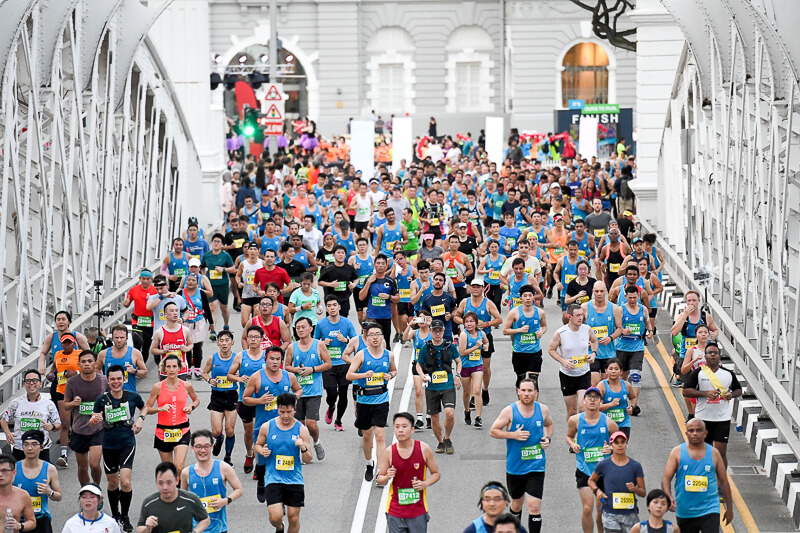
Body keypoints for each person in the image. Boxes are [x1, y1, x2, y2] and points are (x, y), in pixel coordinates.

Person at [490, 376, 554, 533]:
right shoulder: (509, 411)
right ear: (518, 392)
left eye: (530, 391)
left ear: (536, 393)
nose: (527, 394)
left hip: (536, 465)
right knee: (516, 504)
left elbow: (549, 424)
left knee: (534, 506)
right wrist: (513, 435)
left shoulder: (543, 409)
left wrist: (547, 438)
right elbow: (493, 431)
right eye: (523, 390)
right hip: (515, 467)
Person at [244, 346, 302, 502]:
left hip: (285, 426)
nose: (275, 362)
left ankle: (279, 489)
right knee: (262, 457)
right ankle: (261, 480)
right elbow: (245, 398)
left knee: (281, 456)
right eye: (272, 359)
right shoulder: (257, 377)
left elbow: (298, 390)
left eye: (278, 359)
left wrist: (293, 399)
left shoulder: (289, 376)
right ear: (265, 360)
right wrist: (260, 400)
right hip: (264, 425)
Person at [91, 365, 145, 531]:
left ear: (124, 379)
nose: (116, 382)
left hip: (127, 444)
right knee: (113, 483)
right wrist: (95, 419)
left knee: (125, 482)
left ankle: (126, 516)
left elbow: (144, 407)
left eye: (119, 379)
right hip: (108, 445)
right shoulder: (102, 400)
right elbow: (93, 418)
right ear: (108, 381)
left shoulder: (133, 397)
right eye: (112, 379)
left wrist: (141, 419)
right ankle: (115, 515)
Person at [254, 393, 313, 533]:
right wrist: (262, 452)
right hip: (273, 478)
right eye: (282, 412)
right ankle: (279, 528)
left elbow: (308, 459)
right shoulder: (267, 427)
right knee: (275, 517)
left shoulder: (301, 430)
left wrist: (303, 447)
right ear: (277, 409)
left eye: (289, 412)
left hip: (294, 480)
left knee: (293, 518)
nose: (285, 416)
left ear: (295, 409)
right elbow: (258, 445)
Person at [661, 419, 733, 532]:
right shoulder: (677, 452)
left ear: (705, 433)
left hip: (710, 509)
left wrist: (730, 509)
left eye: (698, 430)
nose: (694, 433)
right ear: (686, 433)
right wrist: (668, 497)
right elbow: (666, 478)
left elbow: (724, 482)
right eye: (691, 430)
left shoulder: (714, 453)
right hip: (685, 511)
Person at [347, 322, 397, 481]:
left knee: (381, 437)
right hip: (364, 400)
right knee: (367, 436)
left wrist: (390, 375)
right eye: (371, 335)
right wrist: (363, 375)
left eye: (378, 334)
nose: (375, 338)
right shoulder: (361, 355)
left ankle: (381, 471)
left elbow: (394, 370)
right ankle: (369, 463)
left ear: (383, 337)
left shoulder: (388, 355)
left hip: (381, 400)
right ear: (366, 338)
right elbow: (349, 375)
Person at [376, 412, 441, 533]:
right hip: (395, 512)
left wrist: (425, 484)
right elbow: (380, 478)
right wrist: (387, 477)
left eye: (404, 427)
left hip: (418, 511)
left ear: (412, 430)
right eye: (397, 427)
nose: (400, 430)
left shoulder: (423, 449)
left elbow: (436, 473)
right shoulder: (389, 452)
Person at [566, 387, 618, 533]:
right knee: (587, 508)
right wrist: (572, 444)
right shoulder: (575, 420)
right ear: (584, 400)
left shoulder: (609, 423)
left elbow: (621, 443)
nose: (593, 400)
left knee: (601, 510)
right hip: (584, 470)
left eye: (596, 397)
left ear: (601, 401)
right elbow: (568, 436)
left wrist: (612, 449)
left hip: (604, 473)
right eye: (590, 397)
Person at [681, 343, 742, 469]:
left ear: (719, 356)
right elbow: (686, 391)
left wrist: (731, 394)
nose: (712, 355)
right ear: (705, 356)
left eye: (715, 352)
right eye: (709, 353)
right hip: (703, 419)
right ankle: (702, 477)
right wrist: (705, 394)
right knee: (702, 452)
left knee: (721, 453)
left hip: (722, 419)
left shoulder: (728, 374)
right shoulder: (699, 373)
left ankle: (721, 482)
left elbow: (738, 390)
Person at [284, 317, 331, 462]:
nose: (300, 330)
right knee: (300, 425)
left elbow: (328, 363)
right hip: (297, 391)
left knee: (311, 423)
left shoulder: (319, 345)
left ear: (311, 329)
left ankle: (316, 442)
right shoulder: (292, 347)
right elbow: (286, 366)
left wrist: (313, 369)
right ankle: (306, 452)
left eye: (303, 327)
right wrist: (296, 370)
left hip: (314, 391)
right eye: (297, 328)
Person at [144, 355, 200, 475]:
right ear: (164, 369)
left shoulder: (186, 385)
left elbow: (196, 400)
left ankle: (179, 492)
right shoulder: (157, 387)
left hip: (182, 430)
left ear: (179, 368)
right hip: (163, 432)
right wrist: (160, 409)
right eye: (168, 367)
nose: (171, 369)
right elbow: (146, 408)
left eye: (174, 366)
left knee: (179, 467)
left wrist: (191, 407)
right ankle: (174, 492)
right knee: (169, 472)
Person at [180, 430, 243, 533]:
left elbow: (239, 489)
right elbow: (183, 498)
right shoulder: (186, 473)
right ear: (192, 448)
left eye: (206, 446)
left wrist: (225, 501)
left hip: (219, 527)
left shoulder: (223, 467)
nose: (203, 450)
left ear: (212, 447)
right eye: (198, 446)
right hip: (196, 528)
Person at [226, 325, 269, 475]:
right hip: (245, 400)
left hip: (263, 401)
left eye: (256, 337)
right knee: (249, 432)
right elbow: (229, 375)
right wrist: (239, 378)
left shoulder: (266, 356)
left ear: (262, 339)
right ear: (246, 339)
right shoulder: (241, 356)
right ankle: (249, 454)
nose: (253, 340)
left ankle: (259, 465)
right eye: (250, 337)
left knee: (259, 431)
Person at [453, 279, 503, 406]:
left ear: (483, 288)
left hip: (484, 337)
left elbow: (499, 319)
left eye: (478, 287)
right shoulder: (465, 302)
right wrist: (466, 323)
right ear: (470, 288)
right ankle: (474, 395)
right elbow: (456, 316)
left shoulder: (488, 303)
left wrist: (486, 323)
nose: (475, 289)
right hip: (468, 338)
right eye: (473, 286)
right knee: (470, 367)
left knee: (485, 368)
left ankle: (484, 389)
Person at [416, 320, 461, 455]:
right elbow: (418, 364)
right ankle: (440, 441)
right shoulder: (426, 348)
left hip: (447, 385)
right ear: (430, 331)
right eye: (434, 331)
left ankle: (447, 438)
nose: (437, 333)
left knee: (449, 413)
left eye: (440, 331)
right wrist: (422, 375)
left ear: (443, 331)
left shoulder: (449, 346)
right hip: (432, 387)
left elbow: (458, 361)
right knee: (434, 418)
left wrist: (457, 375)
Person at [314, 296, 358, 431]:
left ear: (339, 307)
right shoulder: (321, 324)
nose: (332, 308)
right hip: (328, 364)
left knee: (344, 393)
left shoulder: (347, 323)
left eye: (334, 305)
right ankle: (331, 407)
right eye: (329, 306)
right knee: (332, 393)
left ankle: (338, 421)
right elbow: (314, 343)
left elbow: (355, 341)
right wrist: (323, 343)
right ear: (326, 308)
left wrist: (345, 340)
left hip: (344, 363)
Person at [64, 350, 107, 485]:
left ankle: (96, 488)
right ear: (78, 364)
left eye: (90, 361)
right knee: (82, 468)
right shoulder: (72, 382)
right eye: (83, 362)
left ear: (95, 363)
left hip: (98, 429)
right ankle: (85, 491)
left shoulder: (103, 380)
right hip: (79, 429)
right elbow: (65, 405)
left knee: (94, 464)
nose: (87, 364)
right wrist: (73, 403)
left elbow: (112, 400)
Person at [588, 431, 646, 533]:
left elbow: (643, 492)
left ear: (626, 444)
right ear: (611, 445)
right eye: (616, 442)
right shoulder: (604, 464)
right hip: (610, 513)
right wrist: (597, 491)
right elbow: (591, 480)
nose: (620, 445)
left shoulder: (635, 466)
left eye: (622, 442)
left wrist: (635, 489)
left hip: (630, 514)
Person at [548, 304, 598, 421]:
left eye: (582, 315)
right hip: (567, 376)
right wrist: (563, 361)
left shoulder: (587, 329)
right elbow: (551, 349)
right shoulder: (561, 333)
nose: (581, 318)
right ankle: (572, 435)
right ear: (569, 316)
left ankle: (582, 435)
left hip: (584, 374)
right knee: (572, 411)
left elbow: (595, 341)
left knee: (583, 407)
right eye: (577, 315)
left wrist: (594, 353)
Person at [1, 370, 60, 462]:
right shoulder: (16, 403)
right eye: (28, 381)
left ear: (40, 383)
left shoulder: (48, 404)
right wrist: (7, 433)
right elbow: (4, 419)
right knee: (17, 475)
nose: (31, 383)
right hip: (20, 448)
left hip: (41, 448)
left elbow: (58, 424)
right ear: (24, 384)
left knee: (44, 475)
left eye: (35, 380)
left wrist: (51, 426)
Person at [200, 331, 239, 464]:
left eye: (227, 340)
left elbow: (243, 375)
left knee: (230, 429)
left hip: (231, 395)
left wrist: (238, 376)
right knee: (216, 431)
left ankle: (228, 457)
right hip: (217, 396)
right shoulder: (213, 358)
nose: (224, 343)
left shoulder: (236, 358)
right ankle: (219, 439)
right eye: (221, 340)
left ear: (232, 342)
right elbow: (203, 372)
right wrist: (209, 380)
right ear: (217, 343)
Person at [137, 462, 209, 533]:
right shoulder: (149, 503)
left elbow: (205, 520)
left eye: (169, 482)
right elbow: (139, 528)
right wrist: (148, 528)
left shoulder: (191, 499)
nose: (165, 487)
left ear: (177, 481)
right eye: (161, 483)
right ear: (156, 482)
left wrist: (194, 532)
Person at [13, 430, 61, 533]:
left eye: (34, 444)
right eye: (26, 444)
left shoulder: (50, 469)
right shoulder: (14, 469)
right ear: (22, 447)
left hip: (41, 519)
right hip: (18, 521)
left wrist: (49, 492)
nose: (30, 448)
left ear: (42, 447)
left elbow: (59, 496)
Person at [615, 285, 653, 415]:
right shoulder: (620, 310)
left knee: (635, 376)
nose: (632, 300)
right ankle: (623, 400)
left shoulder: (643, 310)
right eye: (630, 297)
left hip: (637, 346)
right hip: (621, 346)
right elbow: (616, 326)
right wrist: (622, 331)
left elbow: (647, 322)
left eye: (635, 297)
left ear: (638, 297)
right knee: (622, 376)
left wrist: (650, 331)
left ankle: (633, 405)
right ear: (625, 297)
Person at [503, 286, 548, 385]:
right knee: (521, 379)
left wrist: (541, 332)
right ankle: (521, 400)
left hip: (535, 351)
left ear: (533, 297)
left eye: (530, 296)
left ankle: (533, 401)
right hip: (519, 351)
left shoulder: (540, 312)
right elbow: (505, 330)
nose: (528, 298)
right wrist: (519, 330)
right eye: (525, 296)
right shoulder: (514, 312)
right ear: (521, 298)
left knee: (534, 381)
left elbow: (544, 326)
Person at [47, 332, 80, 467]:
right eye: (64, 342)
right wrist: (50, 374)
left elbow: (91, 369)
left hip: (78, 391)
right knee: (65, 423)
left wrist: (76, 373)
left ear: (74, 343)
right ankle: (64, 454)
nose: (67, 345)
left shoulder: (80, 354)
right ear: (61, 344)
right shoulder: (58, 354)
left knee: (80, 424)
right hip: (62, 391)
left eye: (69, 342)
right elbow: (54, 368)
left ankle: (86, 449)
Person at [584, 281, 622, 387]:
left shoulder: (614, 308)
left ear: (606, 291)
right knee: (594, 383)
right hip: (592, 353)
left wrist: (610, 338)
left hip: (608, 353)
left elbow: (619, 328)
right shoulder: (585, 308)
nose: (599, 293)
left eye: (601, 291)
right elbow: (577, 327)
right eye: (597, 291)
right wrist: (584, 340)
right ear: (593, 292)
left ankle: (605, 403)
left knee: (607, 385)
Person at [359, 254, 400, 347]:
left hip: (385, 317)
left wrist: (389, 297)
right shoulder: (368, 279)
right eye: (378, 263)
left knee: (385, 345)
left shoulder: (390, 281)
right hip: (371, 317)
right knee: (369, 344)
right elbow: (361, 297)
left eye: (382, 263)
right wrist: (369, 282)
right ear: (374, 265)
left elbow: (398, 299)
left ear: (386, 266)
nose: (380, 265)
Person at [457, 312, 489, 428]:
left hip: (477, 365)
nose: (469, 324)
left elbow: (486, 342)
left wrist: (486, 346)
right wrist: (476, 347)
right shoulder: (464, 335)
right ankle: (467, 411)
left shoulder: (481, 333)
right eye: (466, 322)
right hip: (465, 366)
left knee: (476, 391)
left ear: (476, 323)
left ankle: (478, 417)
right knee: (466, 392)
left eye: (471, 321)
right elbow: (462, 353)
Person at [96, 325, 147, 393]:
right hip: (110, 395)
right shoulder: (103, 354)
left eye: (122, 337)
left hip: (129, 394)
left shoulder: (135, 353)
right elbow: (97, 369)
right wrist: (103, 381)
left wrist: (135, 371)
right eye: (116, 338)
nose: (119, 340)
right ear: (112, 338)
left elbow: (144, 373)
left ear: (127, 337)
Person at [150, 301, 194, 380]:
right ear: (165, 315)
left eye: (176, 311)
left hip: (181, 369)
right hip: (165, 370)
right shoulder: (159, 332)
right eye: (172, 311)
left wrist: (187, 348)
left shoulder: (185, 330)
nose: (175, 313)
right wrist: (163, 351)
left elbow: (191, 344)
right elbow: (152, 350)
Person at [463, 482, 530, 533]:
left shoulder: (516, 528)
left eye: (497, 499)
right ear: (482, 503)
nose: (492, 504)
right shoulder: (473, 530)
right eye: (487, 499)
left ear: (505, 502)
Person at [201, 233, 236, 331]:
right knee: (212, 308)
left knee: (223, 308)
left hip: (223, 285)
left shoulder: (225, 256)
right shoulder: (207, 255)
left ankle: (226, 324)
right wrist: (203, 276)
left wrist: (223, 269)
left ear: (222, 244)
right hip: (211, 286)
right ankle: (213, 331)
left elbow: (233, 269)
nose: (215, 243)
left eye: (218, 242)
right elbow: (202, 266)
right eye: (214, 241)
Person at [597, 359, 637, 441]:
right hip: (606, 424)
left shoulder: (627, 385)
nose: (613, 371)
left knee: (620, 448)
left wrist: (632, 407)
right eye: (610, 369)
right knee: (608, 450)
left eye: (616, 369)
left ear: (621, 371)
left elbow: (633, 397)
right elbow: (596, 407)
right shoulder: (602, 386)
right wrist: (610, 404)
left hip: (623, 423)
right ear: (606, 371)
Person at [124, 270, 157, 361]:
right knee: (137, 343)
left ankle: (142, 365)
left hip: (151, 322)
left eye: (147, 279)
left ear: (151, 279)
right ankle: (135, 363)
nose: (145, 281)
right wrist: (126, 303)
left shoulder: (155, 290)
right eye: (143, 279)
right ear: (140, 279)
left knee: (146, 346)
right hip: (137, 321)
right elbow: (127, 304)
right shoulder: (133, 290)